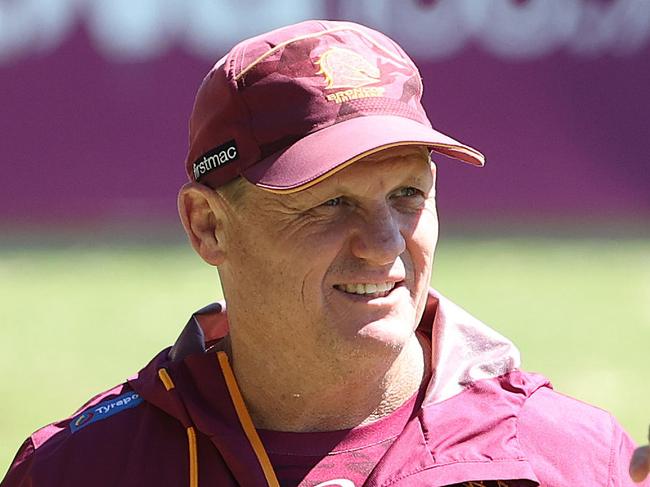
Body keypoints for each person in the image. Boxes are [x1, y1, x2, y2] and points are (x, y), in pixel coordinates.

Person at [2, 19, 648, 487]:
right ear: (209, 227)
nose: (385, 243)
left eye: (406, 195)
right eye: (330, 203)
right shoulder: (81, 469)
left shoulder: (570, 459)